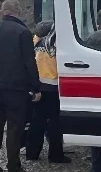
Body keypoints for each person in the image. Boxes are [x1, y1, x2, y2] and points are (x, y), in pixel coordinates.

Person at [0, 0, 40, 172]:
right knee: (15, 127)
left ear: (2, 11)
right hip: (16, 88)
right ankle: (13, 167)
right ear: (18, 11)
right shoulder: (22, 32)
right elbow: (29, 63)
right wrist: (36, 88)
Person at [26, 20, 69, 163]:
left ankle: (32, 153)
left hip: (38, 87)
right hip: (52, 87)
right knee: (54, 122)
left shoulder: (34, 43)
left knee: (37, 121)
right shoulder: (54, 45)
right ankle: (56, 155)